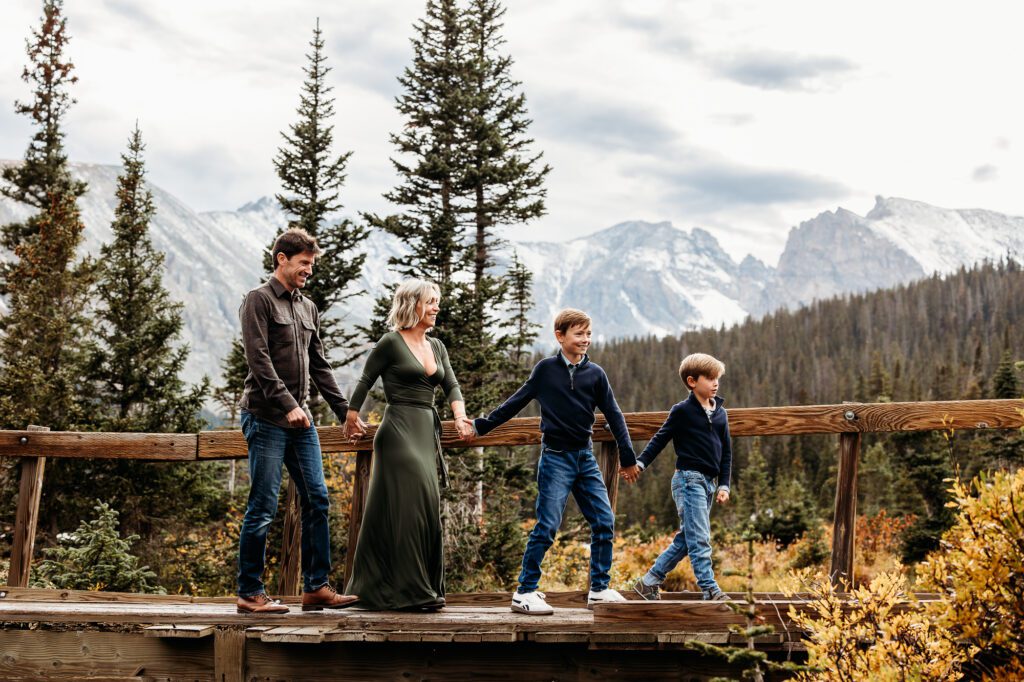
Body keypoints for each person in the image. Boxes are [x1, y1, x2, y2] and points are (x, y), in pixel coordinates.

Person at [467, 308, 638, 614]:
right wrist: (481, 426)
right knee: (547, 525)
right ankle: (525, 591)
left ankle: (599, 589)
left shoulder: (596, 374)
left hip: (585, 458)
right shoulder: (545, 370)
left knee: (604, 521)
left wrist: (627, 457)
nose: (585, 339)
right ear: (560, 336)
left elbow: (614, 414)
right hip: (556, 458)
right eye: (578, 334)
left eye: (588, 334)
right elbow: (515, 402)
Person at [235, 228, 360, 614]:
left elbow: (320, 366)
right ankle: (249, 592)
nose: (309, 271)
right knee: (263, 505)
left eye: (311, 264)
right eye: (304, 264)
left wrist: (346, 413)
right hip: (266, 417)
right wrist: (288, 403)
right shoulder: (258, 300)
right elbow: (258, 358)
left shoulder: (307, 307)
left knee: (318, 500)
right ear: (282, 260)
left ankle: (316, 587)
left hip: (300, 422)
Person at [343, 279, 474, 611]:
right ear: (413, 304)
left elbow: (452, 385)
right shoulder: (391, 342)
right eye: (431, 302)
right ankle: (410, 592)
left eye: (437, 302)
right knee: (407, 510)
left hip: (425, 432)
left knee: (424, 506)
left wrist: (459, 417)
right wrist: (351, 416)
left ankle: (418, 588)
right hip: (398, 431)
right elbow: (365, 380)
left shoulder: (437, 347)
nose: (436, 307)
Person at [627, 352, 733, 602]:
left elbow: (727, 452)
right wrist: (640, 463)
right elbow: (660, 438)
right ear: (692, 381)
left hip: (709, 482)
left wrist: (724, 484)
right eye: (709, 378)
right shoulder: (682, 411)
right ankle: (709, 589)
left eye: (717, 377)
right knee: (700, 538)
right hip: (688, 479)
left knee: (688, 538)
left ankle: (648, 582)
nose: (715, 382)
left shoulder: (721, 413)